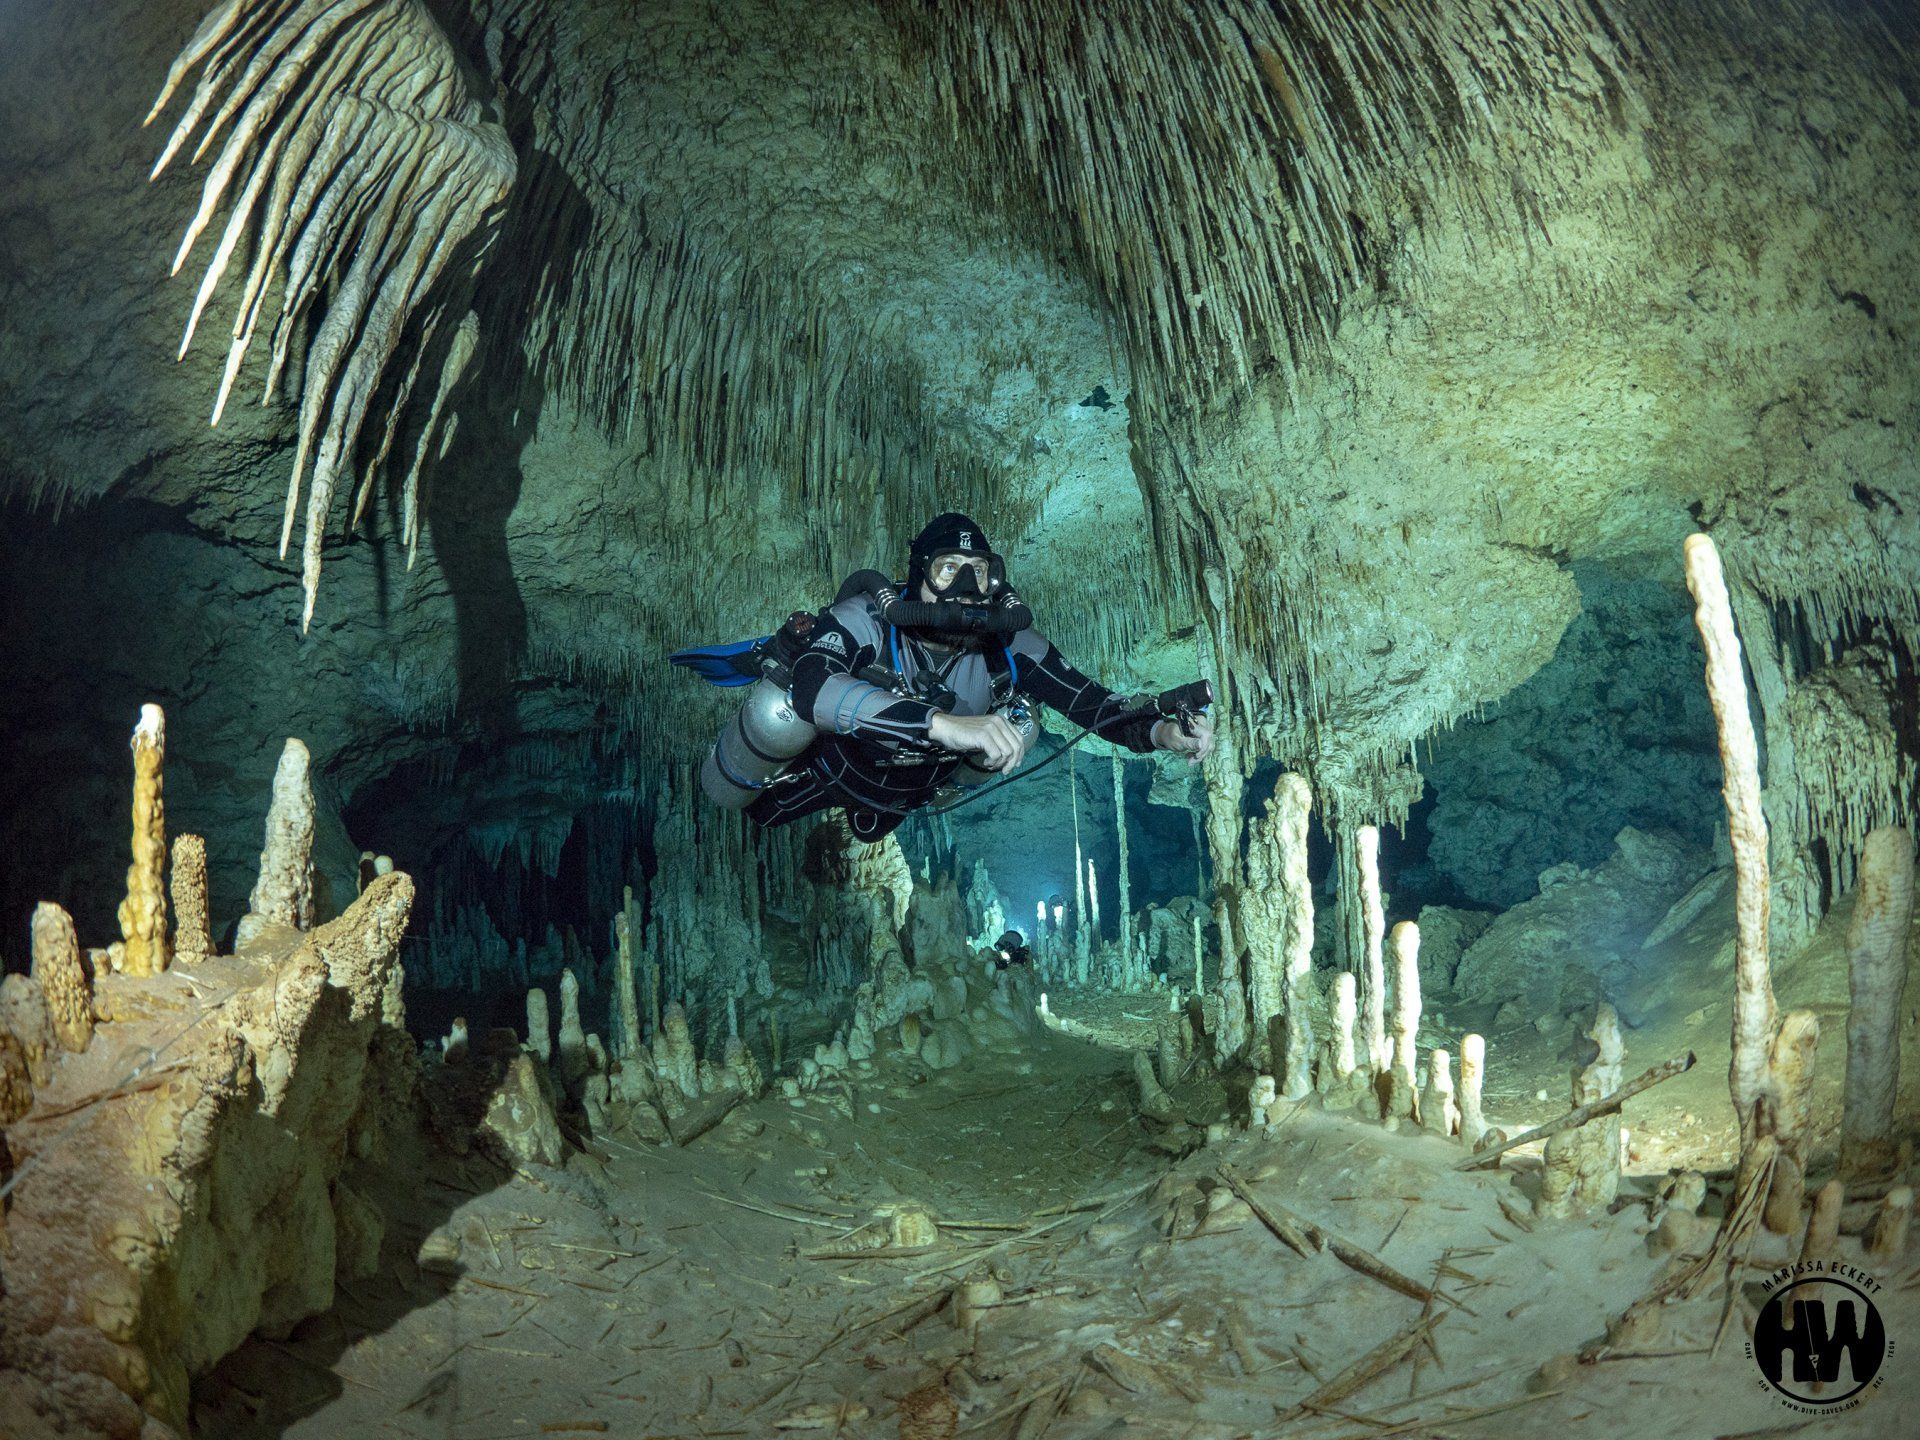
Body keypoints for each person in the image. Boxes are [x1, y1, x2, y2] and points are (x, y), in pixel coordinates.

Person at [745, 512, 1214, 841]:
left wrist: (1163, 731)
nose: (966, 590)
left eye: (979, 572)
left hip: (916, 793)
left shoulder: (1009, 645)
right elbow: (811, 686)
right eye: (948, 570)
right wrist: (940, 724)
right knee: (761, 818)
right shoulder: (866, 617)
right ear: (918, 578)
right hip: (839, 769)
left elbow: (1094, 707)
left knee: (869, 832)